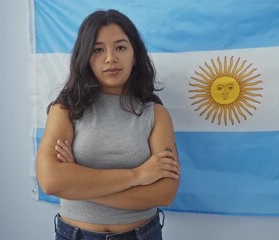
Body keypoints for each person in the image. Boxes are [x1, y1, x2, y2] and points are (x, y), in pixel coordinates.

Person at [36, 9, 180, 240]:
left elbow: (165, 193)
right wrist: (138, 175)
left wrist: (77, 182)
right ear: (85, 56)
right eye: (98, 49)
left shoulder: (156, 114)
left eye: (120, 47)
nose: (110, 57)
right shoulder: (65, 110)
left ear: (134, 55)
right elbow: (51, 181)